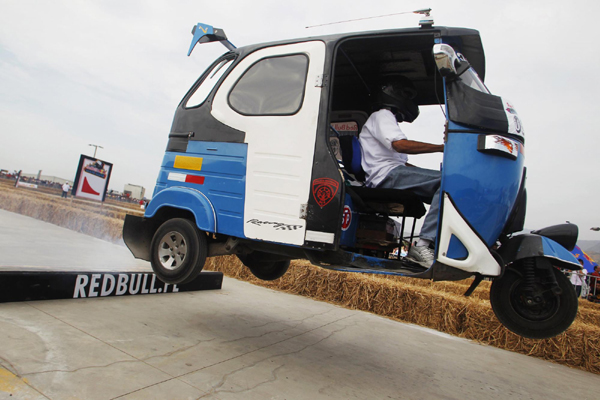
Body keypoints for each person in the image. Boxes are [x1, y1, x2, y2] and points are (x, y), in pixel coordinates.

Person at [359, 77, 444, 267]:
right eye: (406, 96)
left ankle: (437, 241)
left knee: (448, 191)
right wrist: (441, 147)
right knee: (445, 184)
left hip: (393, 173)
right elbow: (400, 145)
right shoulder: (382, 115)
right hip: (386, 175)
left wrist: (430, 172)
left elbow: (405, 166)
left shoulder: (388, 122)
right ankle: (422, 246)